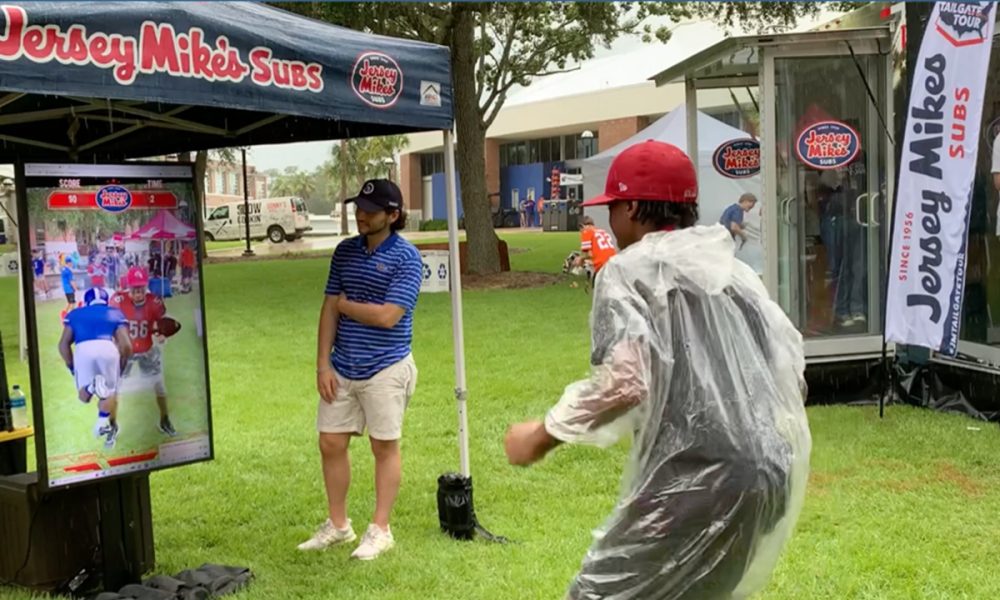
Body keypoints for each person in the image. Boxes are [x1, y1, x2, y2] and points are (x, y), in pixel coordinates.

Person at [504, 140, 811, 600]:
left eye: (612, 209)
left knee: (595, 594)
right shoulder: (731, 269)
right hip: (768, 470)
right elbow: (785, 362)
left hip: (697, 477)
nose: (611, 221)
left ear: (631, 208)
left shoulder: (627, 272)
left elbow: (627, 383)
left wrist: (543, 433)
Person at [300, 178, 422, 561]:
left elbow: (388, 316)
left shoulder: (406, 258)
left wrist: (347, 306)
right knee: (330, 443)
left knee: (383, 446)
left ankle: (380, 529)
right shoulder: (345, 252)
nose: (360, 215)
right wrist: (323, 363)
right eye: (358, 208)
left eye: (369, 211)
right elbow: (327, 307)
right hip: (343, 366)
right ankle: (338, 526)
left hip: (387, 367)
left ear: (393, 215)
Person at [58, 287, 132, 449]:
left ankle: (92, 387)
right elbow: (126, 346)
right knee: (110, 393)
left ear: (87, 301)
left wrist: (71, 366)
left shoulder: (75, 314)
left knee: (83, 397)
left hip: (83, 350)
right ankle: (101, 422)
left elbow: (63, 345)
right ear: (105, 301)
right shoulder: (115, 312)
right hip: (107, 348)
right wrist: (122, 365)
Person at [111, 267, 177, 437]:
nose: (138, 293)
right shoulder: (118, 300)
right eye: (135, 289)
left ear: (145, 286)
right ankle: (112, 424)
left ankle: (165, 419)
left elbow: (162, 321)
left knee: (159, 386)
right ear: (128, 287)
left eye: (141, 288)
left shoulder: (154, 302)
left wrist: (161, 333)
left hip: (147, 349)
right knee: (114, 388)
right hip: (125, 351)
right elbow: (110, 322)